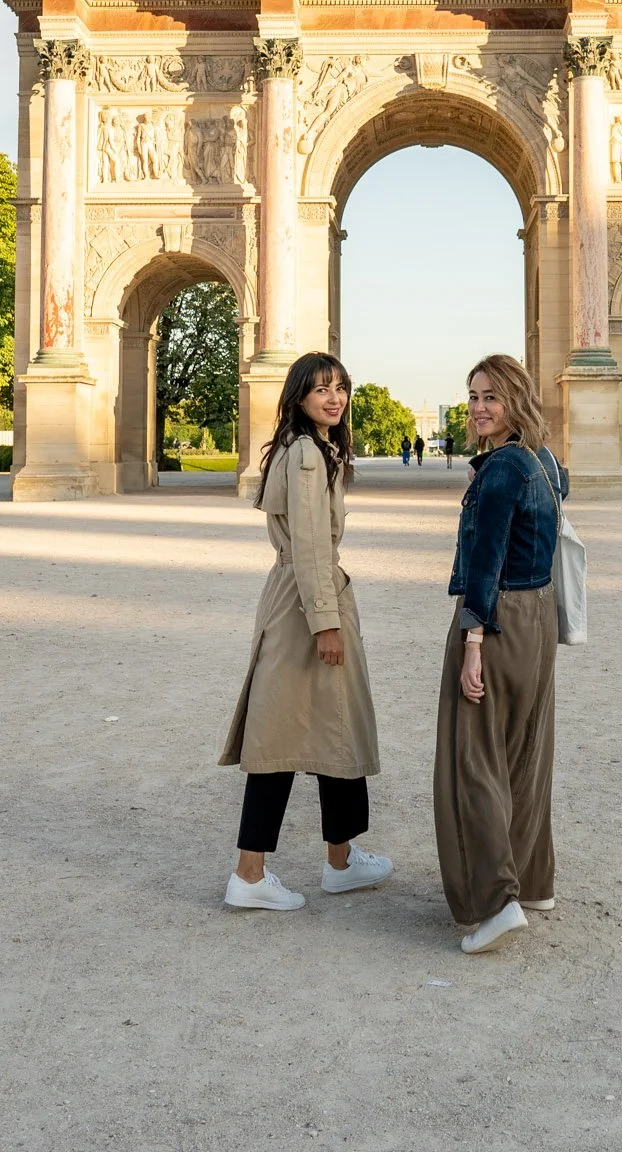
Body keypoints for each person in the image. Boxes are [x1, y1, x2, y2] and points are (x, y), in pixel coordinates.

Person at [219, 352, 391, 912]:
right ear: (298, 396)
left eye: (341, 387)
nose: (335, 398)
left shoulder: (305, 448)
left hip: (295, 593)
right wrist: (326, 623)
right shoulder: (309, 456)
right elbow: (314, 544)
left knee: (328, 728)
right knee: (285, 738)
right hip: (309, 602)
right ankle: (251, 873)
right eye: (321, 389)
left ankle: (340, 859)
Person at [434, 353, 567, 955]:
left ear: (516, 400)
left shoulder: (501, 469)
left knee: (475, 759)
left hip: (498, 618)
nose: (479, 407)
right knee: (526, 750)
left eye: (491, 396)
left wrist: (472, 643)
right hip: (538, 615)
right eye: (473, 396)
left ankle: (495, 902)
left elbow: (485, 562)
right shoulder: (544, 461)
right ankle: (534, 881)